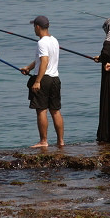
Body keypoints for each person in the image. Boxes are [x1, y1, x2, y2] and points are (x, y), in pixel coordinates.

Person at [20, 16, 64, 148]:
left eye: (34, 26)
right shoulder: (54, 40)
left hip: (44, 79)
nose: (34, 29)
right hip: (55, 78)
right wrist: (29, 67)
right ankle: (60, 141)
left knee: (41, 111)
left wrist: (37, 81)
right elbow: (41, 61)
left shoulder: (41, 43)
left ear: (38, 27)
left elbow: (44, 61)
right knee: (55, 111)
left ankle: (43, 141)